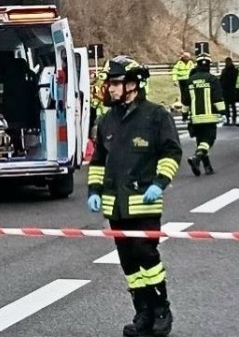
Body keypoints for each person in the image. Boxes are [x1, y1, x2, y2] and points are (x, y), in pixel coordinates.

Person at [86, 55, 182, 337]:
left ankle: (161, 309)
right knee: (128, 261)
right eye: (109, 83)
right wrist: (94, 190)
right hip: (115, 204)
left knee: (145, 252)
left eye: (115, 83)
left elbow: (171, 152)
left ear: (133, 85)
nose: (110, 88)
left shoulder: (156, 116)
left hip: (144, 201)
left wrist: (160, 183)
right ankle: (142, 312)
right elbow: (98, 161)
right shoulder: (107, 121)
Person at [185, 54, 223, 176]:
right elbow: (217, 98)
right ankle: (196, 158)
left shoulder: (190, 80)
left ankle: (207, 166)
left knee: (201, 141)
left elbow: (185, 100)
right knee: (209, 140)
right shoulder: (212, 79)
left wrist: (185, 114)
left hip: (195, 117)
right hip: (209, 117)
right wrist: (223, 111)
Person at [219, 56, 239, 125]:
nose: (227, 63)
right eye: (226, 62)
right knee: (227, 106)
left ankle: (233, 119)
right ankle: (228, 119)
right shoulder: (225, 70)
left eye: (228, 62)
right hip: (226, 90)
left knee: (232, 105)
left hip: (232, 89)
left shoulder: (235, 71)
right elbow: (221, 80)